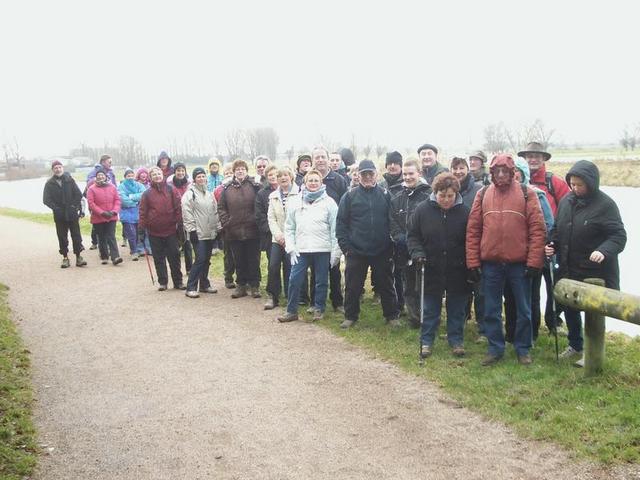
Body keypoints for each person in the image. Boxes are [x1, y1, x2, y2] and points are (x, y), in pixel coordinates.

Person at [466, 154, 546, 366]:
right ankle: (495, 348)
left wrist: (534, 262)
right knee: (491, 309)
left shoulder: (527, 194)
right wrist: (473, 262)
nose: (501, 175)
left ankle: (523, 348)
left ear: (512, 173)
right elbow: (473, 230)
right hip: (491, 264)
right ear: (491, 173)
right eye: (496, 171)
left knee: (524, 310)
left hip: (519, 264)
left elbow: (538, 230)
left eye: (505, 171)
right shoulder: (483, 194)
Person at [546, 160, 626, 364]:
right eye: (572, 184)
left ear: (591, 183)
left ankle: (592, 351)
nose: (575, 188)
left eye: (579, 185)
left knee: (593, 311)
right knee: (570, 306)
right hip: (568, 267)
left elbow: (618, 236)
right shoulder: (566, 201)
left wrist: (603, 250)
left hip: (594, 272)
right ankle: (575, 345)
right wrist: (552, 244)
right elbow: (557, 228)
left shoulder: (605, 205)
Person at [408, 172, 471, 358]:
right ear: (435, 192)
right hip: (430, 267)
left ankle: (456, 340)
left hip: (458, 268)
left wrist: (471, 263)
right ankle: (427, 340)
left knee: (457, 308)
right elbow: (412, 235)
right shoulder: (422, 210)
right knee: (430, 308)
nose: (445, 200)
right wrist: (417, 253)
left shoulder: (465, 212)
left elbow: (471, 239)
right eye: (442, 195)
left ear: (456, 194)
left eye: (450, 196)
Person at [336, 159, 400, 329]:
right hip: (356, 251)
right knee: (353, 286)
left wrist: (391, 245)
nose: (367, 177)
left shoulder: (386, 195)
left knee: (386, 284)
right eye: (364, 174)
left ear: (376, 175)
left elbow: (393, 221)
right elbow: (341, 225)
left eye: (370, 173)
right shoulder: (349, 197)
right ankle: (350, 316)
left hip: (382, 250)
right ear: (358, 175)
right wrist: (347, 249)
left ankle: (392, 315)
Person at [518, 141, 571, 331]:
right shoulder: (515, 180)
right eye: (529, 156)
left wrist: (556, 239)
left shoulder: (553, 182)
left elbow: (568, 208)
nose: (533, 159)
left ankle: (553, 320)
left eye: (537, 156)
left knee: (553, 285)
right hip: (528, 247)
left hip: (551, 244)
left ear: (543, 159)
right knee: (532, 289)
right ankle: (533, 324)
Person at [277, 170, 340, 322]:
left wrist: (335, 253)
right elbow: (289, 227)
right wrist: (291, 248)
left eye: (316, 181)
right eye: (310, 180)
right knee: (294, 279)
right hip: (301, 250)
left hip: (323, 249)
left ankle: (319, 309)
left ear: (321, 183)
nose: (313, 183)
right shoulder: (295, 202)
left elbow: (335, 229)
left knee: (321, 281)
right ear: (304, 183)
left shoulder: (329, 203)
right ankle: (291, 311)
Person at [504, 158, 555, 342]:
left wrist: (540, 249)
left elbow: (548, 226)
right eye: (511, 171)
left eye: (517, 172)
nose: (514, 175)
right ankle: (511, 334)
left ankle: (531, 334)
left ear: (523, 174)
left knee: (531, 297)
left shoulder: (537, 194)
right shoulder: (504, 194)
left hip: (532, 254)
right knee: (509, 297)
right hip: (510, 256)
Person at [389, 159, 431, 327]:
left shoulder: (428, 195)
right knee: (409, 284)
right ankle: (414, 317)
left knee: (424, 285)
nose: (407, 177)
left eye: (411, 173)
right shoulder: (397, 196)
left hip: (424, 248)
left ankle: (427, 317)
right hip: (404, 248)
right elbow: (392, 220)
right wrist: (401, 238)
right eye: (405, 174)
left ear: (419, 173)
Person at [218, 159, 262, 299]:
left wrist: (257, 220)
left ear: (246, 170)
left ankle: (255, 286)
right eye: (237, 169)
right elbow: (221, 207)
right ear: (234, 172)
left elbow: (261, 205)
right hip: (234, 231)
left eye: (242, 168)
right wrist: (227, 222)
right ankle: (241, 285)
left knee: (253, 259)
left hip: (253, 230)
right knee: (238, 260)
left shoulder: (255, 186)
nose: (240, 171)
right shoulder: (227, 188)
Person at [312, 146, 348, 312]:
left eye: (322, 157)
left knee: (333, 267)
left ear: (328, 159)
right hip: (314, 230)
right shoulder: (309, 178)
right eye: (317, 157)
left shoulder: (339, 180)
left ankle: (337, 302)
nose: (320, 160)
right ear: (313, 160)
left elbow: (345, 203)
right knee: (315, 268)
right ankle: (315, 302)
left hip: (333, 229)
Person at [139, 166, 185, 291]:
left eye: (158, 173)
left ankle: (178, 282)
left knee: (174, 257)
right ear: (150, 177)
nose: (157, 176)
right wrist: (141, 229)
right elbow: (143, 212)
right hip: (154, 232)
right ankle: (163, 282)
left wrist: (179, 225)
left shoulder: (171, 189)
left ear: (162, 174)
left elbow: (178, 208)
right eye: (153, 174)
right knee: (159, 258)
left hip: (170, 230)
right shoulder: (146, 194)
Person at [182, 167, 221, 298]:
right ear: (194, 179)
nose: (201, 179)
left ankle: (204, 284)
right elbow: (187, 213)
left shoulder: (210, 194)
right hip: (197, 233)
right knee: (200, 259)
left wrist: (218, 228)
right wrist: (191, 230)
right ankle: (191, 287)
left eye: (203, 176)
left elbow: (215, 212)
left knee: (207, 260)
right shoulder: (189, 194)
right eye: (198, 176)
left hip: (210, 232)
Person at [265, 167, 300, 310]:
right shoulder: (273, 196)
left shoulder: (299, 193)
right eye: (280, 176)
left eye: (286, 175)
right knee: (273, 266)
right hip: (277, 239)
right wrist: (278, 235)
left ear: (291, 177)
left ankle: (290, 296)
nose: (283, 178)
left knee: (290, 268)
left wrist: (289, 237)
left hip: (293, 238)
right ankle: (273, 296)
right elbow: (271, 218)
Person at [42, 160, 87, 268]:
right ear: (53, 170)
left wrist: (74, 207)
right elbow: (46, 199)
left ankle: (79, 257)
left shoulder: (69, 180)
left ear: (63, 168)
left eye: (59, 167)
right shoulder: (49, 183)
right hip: (59, 215)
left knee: (76, 235)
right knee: (62, 237)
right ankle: (65, 258)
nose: (58, 169)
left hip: (72, 213)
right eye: (55, 168)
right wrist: (56, 208)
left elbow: (78, 195)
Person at [87, 168, 123, 265]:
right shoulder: (91, 189)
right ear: (96, 177)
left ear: (106, 176)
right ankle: (104, 256)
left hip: (111, 216)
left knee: (111, 236)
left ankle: (115, 257)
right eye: (98, 175)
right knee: (101, 237)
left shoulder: (112, 187)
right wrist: (102, 213)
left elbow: (117, 200)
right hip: (98, 217)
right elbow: (91, 203)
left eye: (102, 175)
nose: (100, 177)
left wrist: (114, 211)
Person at [255, 165, 279, 293]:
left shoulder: (287, 191)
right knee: (273, 265)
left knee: (289, 265)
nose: (273, 177)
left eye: (276, 174)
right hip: (270, 235)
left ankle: (290, 291)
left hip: (288, 234)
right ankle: (273, 292)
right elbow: (259, 216)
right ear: (266, 177)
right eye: (270, 175)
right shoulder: (262, 193)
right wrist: (271, 230)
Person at [86, 154, 117, 249]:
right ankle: (95, 242)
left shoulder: (111, 172)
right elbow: (89, 184)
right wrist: (101, 180)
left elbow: (115, 185)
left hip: (109, 201)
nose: (111, 164)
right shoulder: (94, 172)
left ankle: (107, 243)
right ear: (103, 162)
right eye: (109, 162)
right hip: (97, 200)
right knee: (97, 222)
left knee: (108, 223)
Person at [214, 164, 237, 289]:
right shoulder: (218, 190)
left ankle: (241, 277)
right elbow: (218, 208)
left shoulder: (238, 187)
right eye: (226, 172)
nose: (228, 174)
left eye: (230, 172)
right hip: (226, 227)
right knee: (228, 254)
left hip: (239, 225)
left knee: (238, 254)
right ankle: (228, 277)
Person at [168, 162, 193, 273]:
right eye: (178, 170)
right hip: (173, 219)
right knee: (175, 248)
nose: (181, 172)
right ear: (174, 171)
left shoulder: (189, 184)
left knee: (187, 245)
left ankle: (189, 269)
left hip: (186, 218)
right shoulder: (169, 185)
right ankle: (177, 270)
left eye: (183, 170)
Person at [118, 168, 146, 260]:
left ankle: (139, 249)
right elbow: (123, 200)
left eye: (132, 175)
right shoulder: (121, 187)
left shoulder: (139, 185)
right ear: (125, 177)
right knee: (131, 234)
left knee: (139, 233)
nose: (130, 177)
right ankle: (133, 251)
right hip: (127, 215)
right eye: (128, 176)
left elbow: (143, 195)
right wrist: (135, 202)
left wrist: (131, 196)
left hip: (139, 213)